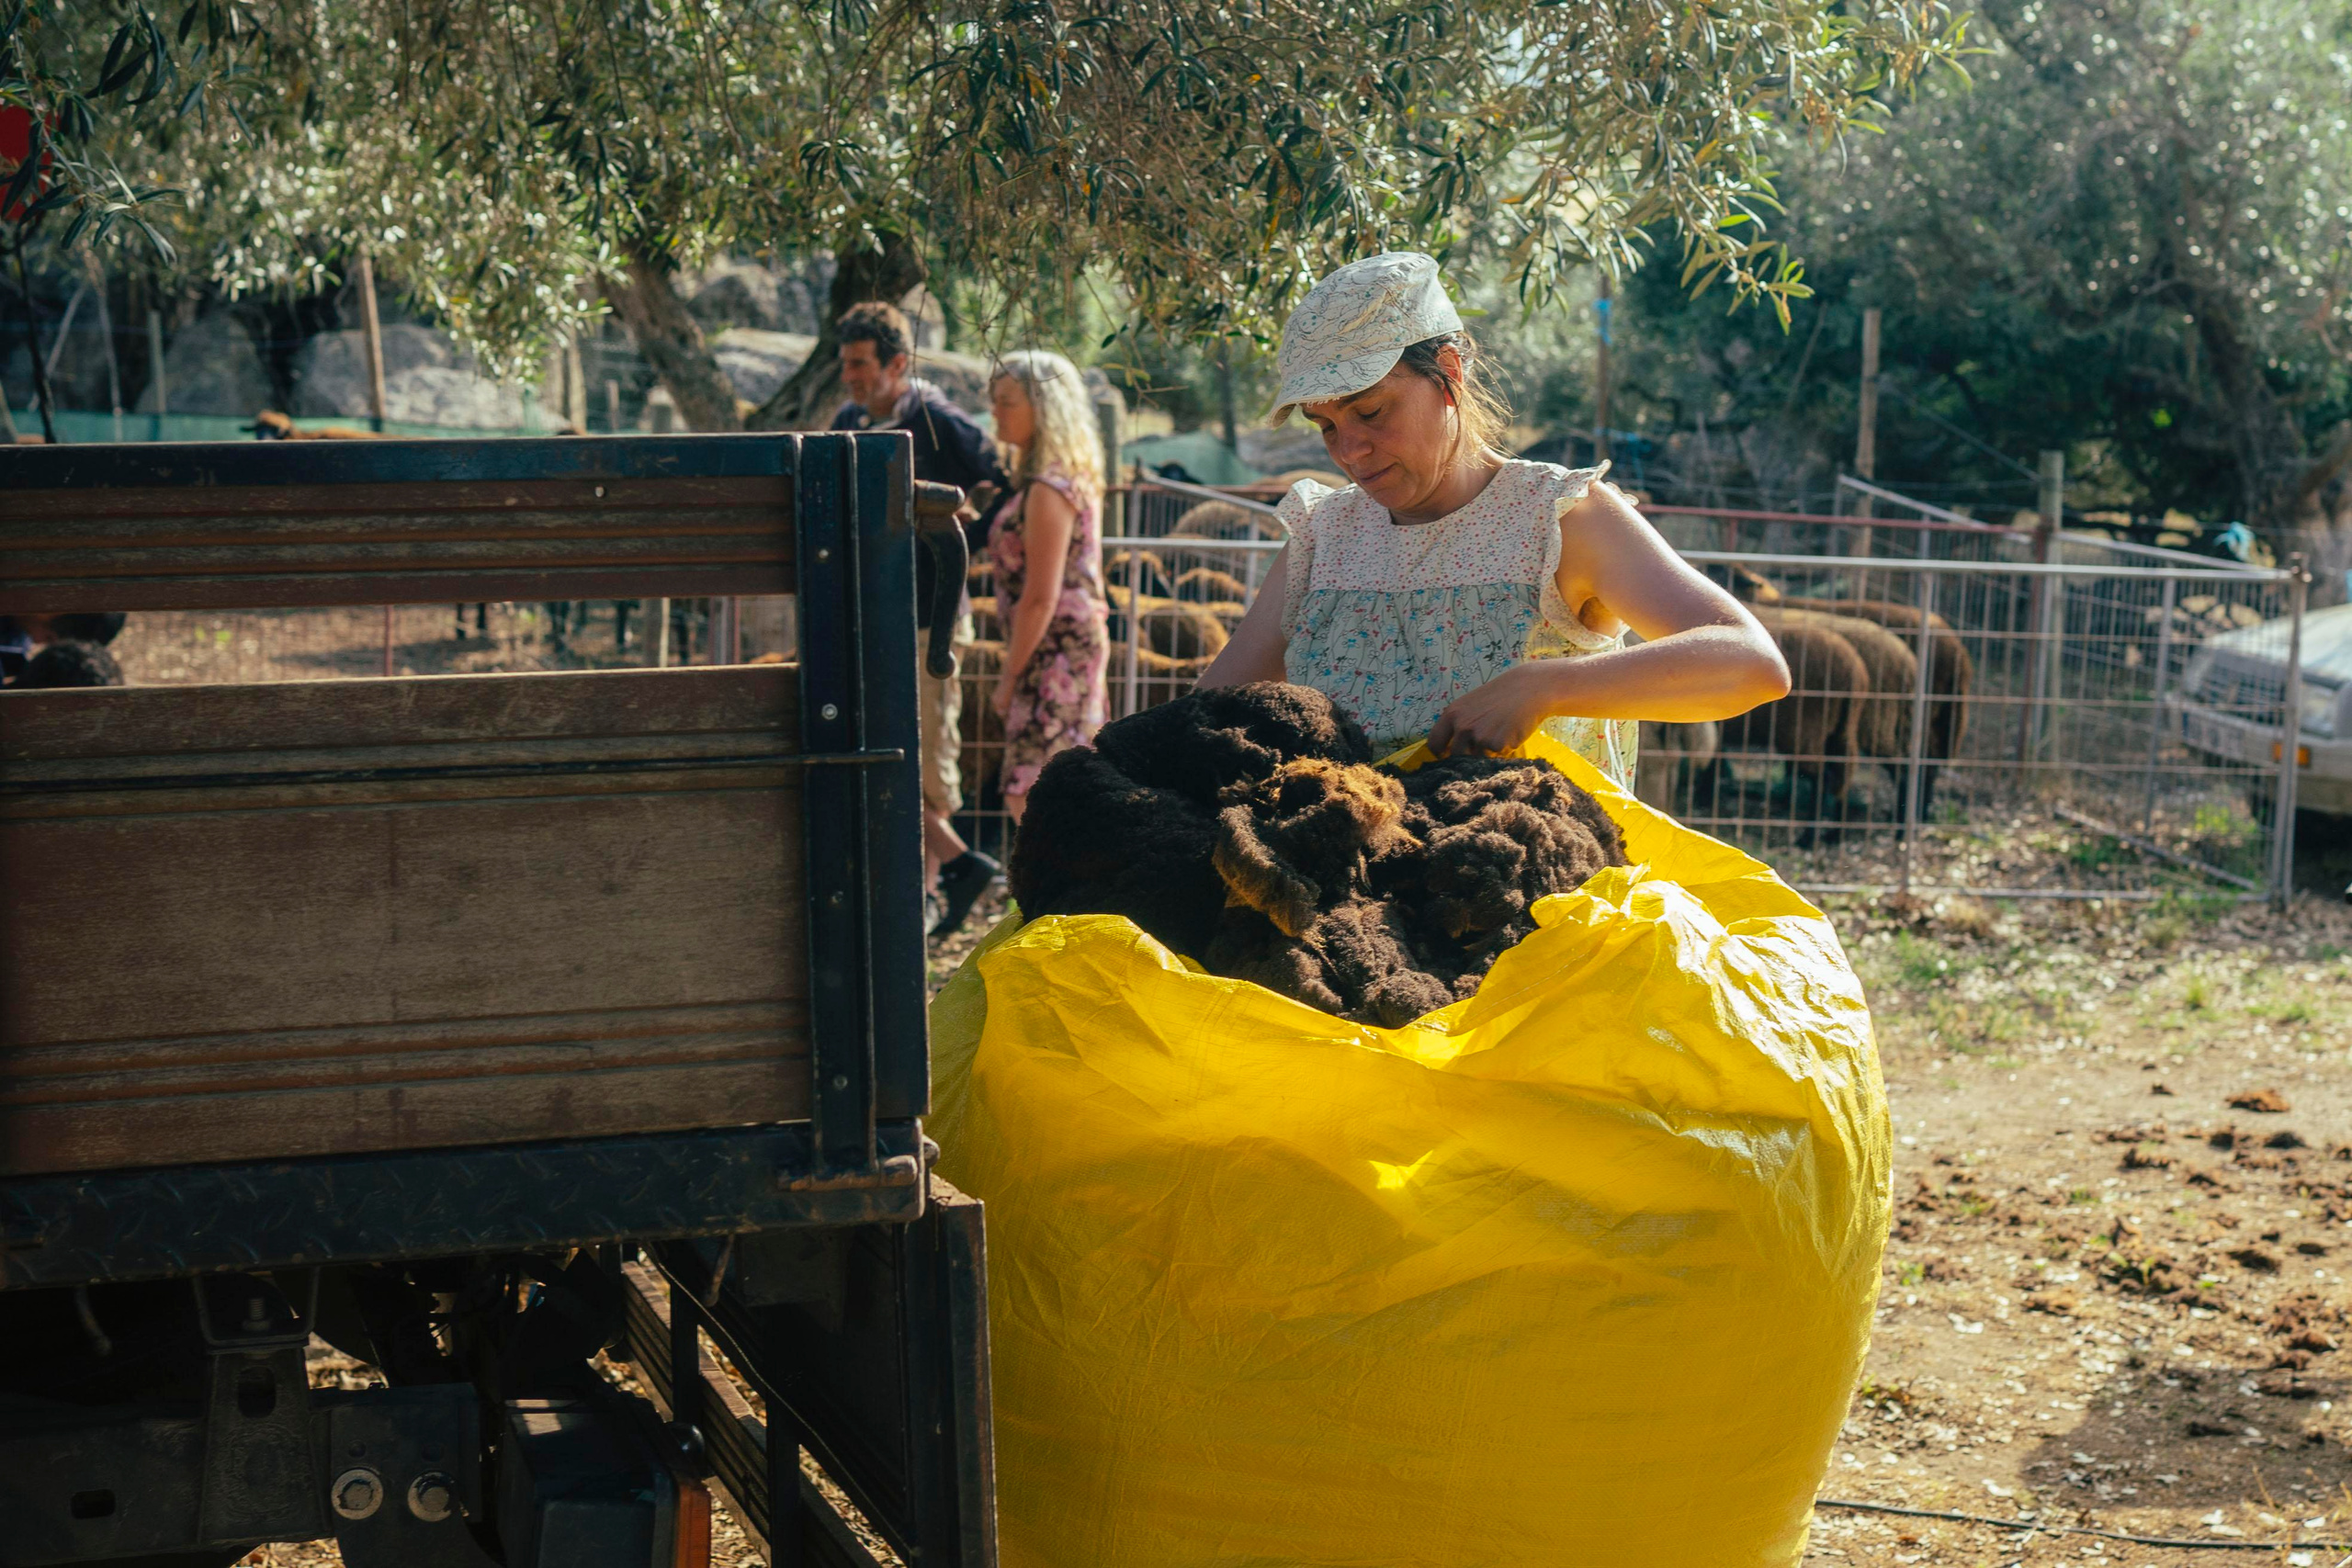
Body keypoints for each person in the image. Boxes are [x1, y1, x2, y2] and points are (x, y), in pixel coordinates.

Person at [1199, 252, 1788, 783]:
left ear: (1449, 372)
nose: (1349, 451)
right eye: (1325, 427)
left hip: (1532, 880)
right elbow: (1206, 716)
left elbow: (1750, 663)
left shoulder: (1558, 519)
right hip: (1354, 886)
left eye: (1372, 411)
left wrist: (1547, 687)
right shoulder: (1324, 537)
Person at [830, 300, 1012, 936]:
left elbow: (1004, 478)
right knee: (880, 742)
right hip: (866, 613)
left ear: (897, 364)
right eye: (846, 363)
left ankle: (942, 883)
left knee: (927, 751)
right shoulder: (848, 423)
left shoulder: (939, 424)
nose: (850, 375)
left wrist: (965, 537)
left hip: (929, 616)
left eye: (860, 364)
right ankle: (936, 886)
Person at [984, 351, 1110, 822]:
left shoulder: (1048, 488)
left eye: (1007, 402)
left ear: (1044, 407)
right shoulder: (1059, 479)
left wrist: (1008, 678)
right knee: (1052, 788)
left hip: (1052, 654)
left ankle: (1058, 895)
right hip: (1058, 650)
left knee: (1033, 791)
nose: (996, 411)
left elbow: (1040, 596)